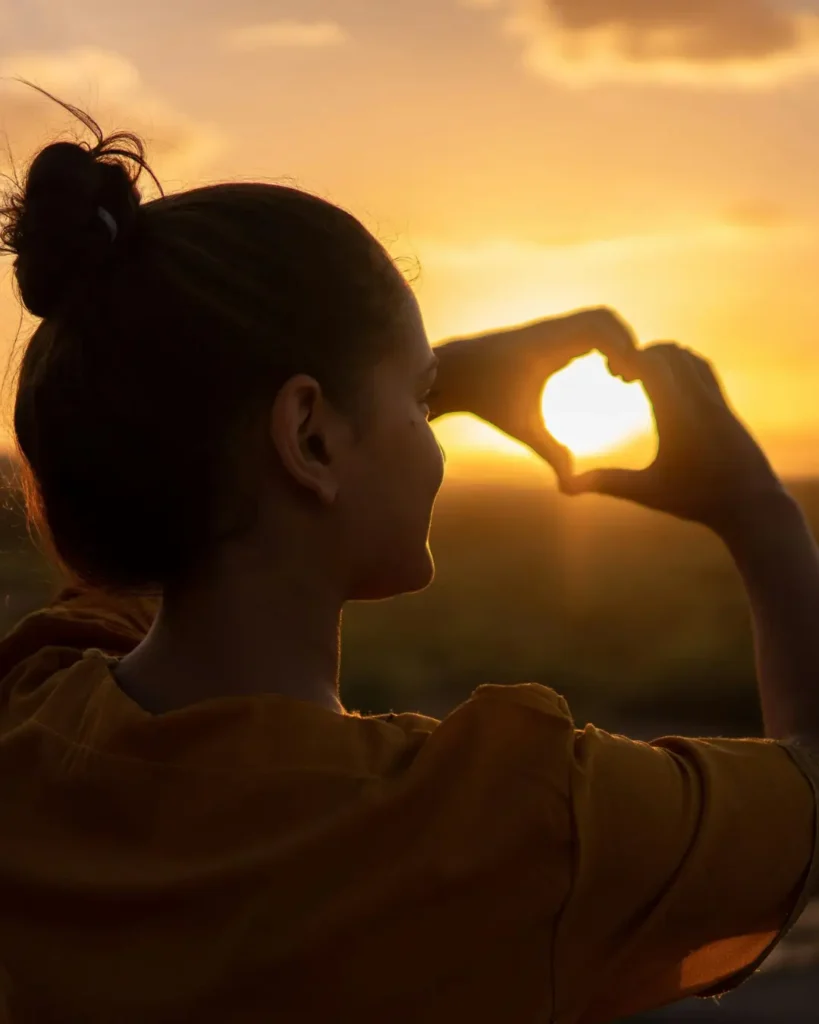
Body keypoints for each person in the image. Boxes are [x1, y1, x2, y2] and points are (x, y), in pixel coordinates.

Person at [0, 93, 817, 1024]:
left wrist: (401, 383)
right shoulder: (508, 825)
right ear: (308, 438)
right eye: (421, 401)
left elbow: (165, 483)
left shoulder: (35, 714)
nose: (431, 436)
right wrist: (758, 512)